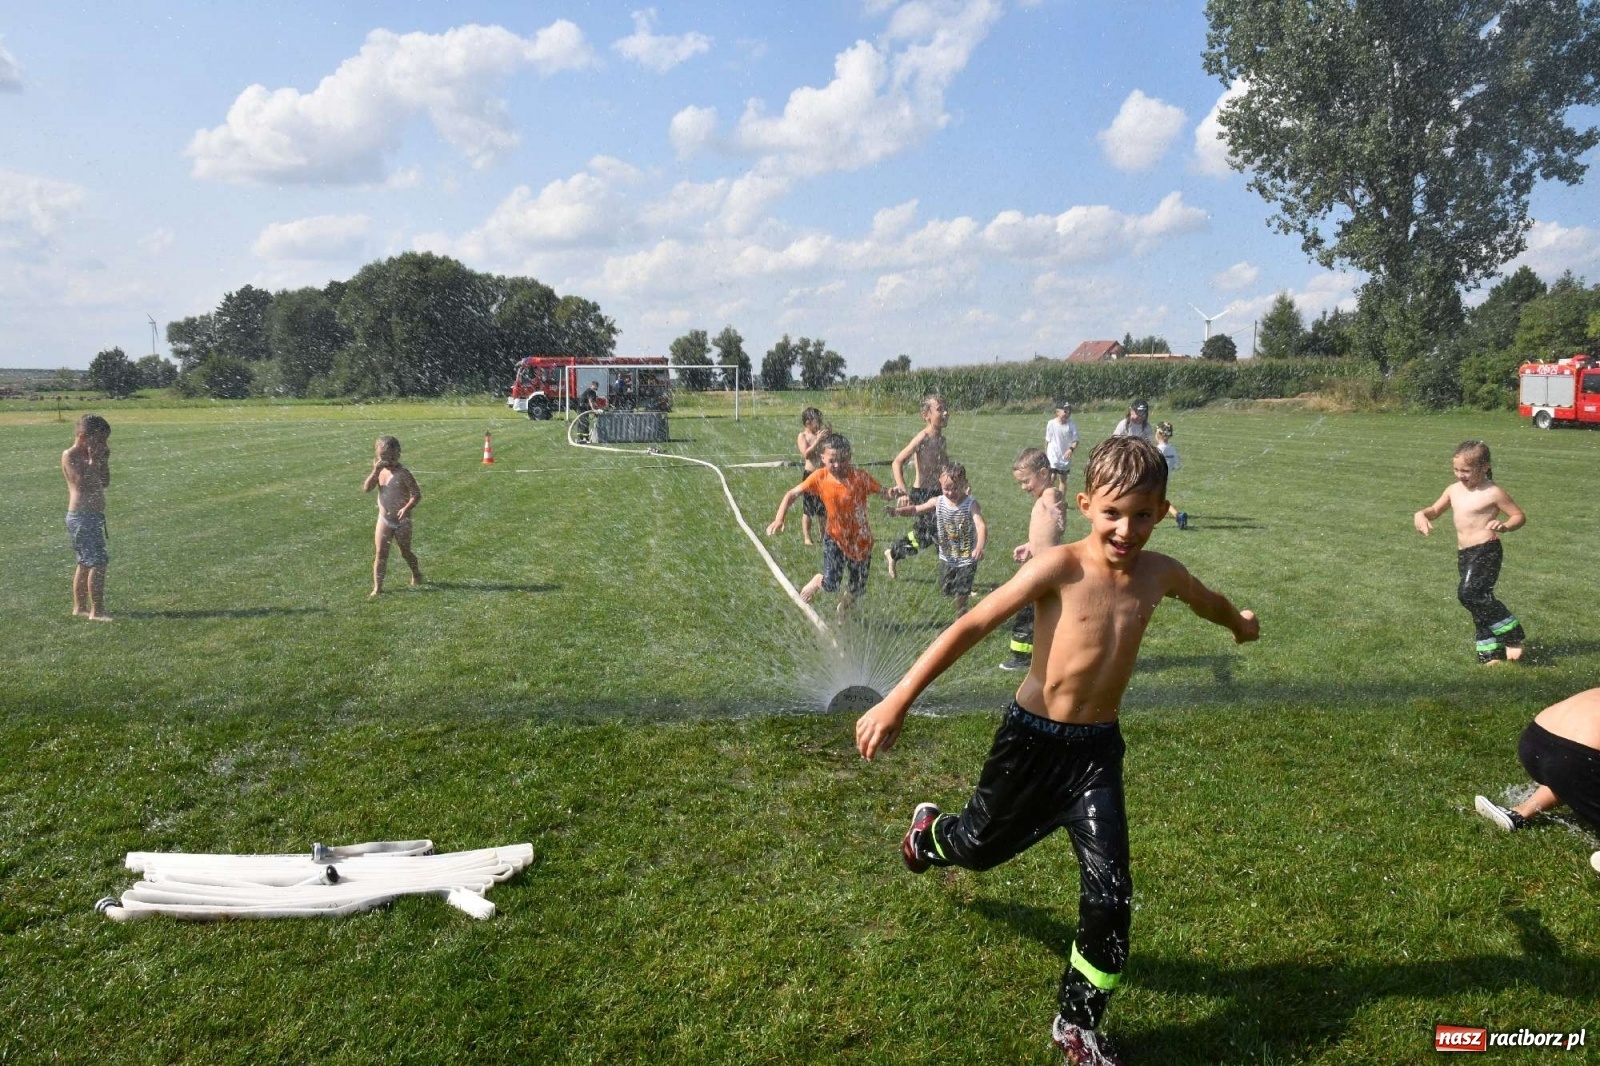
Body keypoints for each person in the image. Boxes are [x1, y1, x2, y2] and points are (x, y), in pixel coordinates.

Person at [855, 436, 1259, 1064]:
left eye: (1144, 515)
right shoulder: (1059, 567)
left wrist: (1239, 624)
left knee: (1111, 894)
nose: (1128, 529)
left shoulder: (1161, 574)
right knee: (978, 850)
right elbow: (971, 624)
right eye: (1114, 514)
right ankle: (930, 834)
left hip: (1096, 756)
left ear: (1161, 510)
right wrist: (897, 698)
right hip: (1032, 743)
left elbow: (1207, 601)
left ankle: (1077, 1025)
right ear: (1086, 503)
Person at [768, 433, 903, 621]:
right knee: (831, 584)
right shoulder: (820, 477)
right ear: (822, 458)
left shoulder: (860, 477)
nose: (838, 465)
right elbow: (792, 493)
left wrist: (892, 492)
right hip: (835, 538)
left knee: (858, 588)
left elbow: (883, 492)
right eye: (832, 461)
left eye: (842, 460)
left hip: (861, 542)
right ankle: (818, 579)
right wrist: (779, 518)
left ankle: (843, 607)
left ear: (850, 457)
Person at [1413, 440, 1526, 663]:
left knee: (1469, 594)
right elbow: (1435, 510)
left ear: (1484, 467)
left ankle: (1513, 634)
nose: (1460, 475)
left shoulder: (1493, 492)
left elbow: (1518, 516)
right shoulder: (1453, 490)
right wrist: (1421, 514)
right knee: (1479, 599)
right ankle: (1490, 653)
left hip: (1487, 549)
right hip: (1464, 554)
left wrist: (1505, 526)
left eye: (1466, 470)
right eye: (1456, 469)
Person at [1473, 688, 1600, 875]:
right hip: (1576, 758)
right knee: (1577, 769)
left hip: (1535, 739)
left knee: (1571, 774)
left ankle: (1520, 813)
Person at [886, 461, 987, 618]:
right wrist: (897, 511)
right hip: (947, 557)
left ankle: (962, 618)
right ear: (940, 484)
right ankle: (960, 605)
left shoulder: (970, 504)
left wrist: (979, 546)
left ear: (964, 484)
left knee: (961, 593)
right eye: (946, 488)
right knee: (947, 588)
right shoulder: (938, 501)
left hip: (967, 558)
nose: (951, 492)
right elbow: (915, 509)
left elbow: (980, 526)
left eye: (955, 488)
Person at [1000, 447, 1065, 671]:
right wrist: (1029, 546)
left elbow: (1054, 501)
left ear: (1044, 474)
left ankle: (1021, 657)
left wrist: (1055, 509)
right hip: (1040, 563)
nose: (1024, 487)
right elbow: (1043, 533)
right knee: (1041, 610)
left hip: (1045, 567)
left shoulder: (1049, 495)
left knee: (1026, 610)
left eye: (1026, 481)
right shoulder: (1042, 497)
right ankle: (1052, 652)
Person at [885, 395, 951, 579]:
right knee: (936, 534)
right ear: (926, 415)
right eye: (940, 409)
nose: (946, 413)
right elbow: (897, 461)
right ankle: (952, 579)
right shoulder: (923, 437)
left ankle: (894, 553)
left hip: (938, 493)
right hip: (922, 493)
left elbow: (944, 467)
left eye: (946, 408)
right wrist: (902, 489)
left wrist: (959, 484)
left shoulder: (942, 440)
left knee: (927, 536)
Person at [62, 413, 113, 621]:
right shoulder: (70, 455)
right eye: (100, 439)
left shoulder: (93, 456)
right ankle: (97, 611)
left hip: (91, 517)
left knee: (85, 562)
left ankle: (80, 608)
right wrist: (94, 461)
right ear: (83, 436)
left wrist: (103, 462)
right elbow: (82, 483)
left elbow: (105, 482)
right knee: (97, 563)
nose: (103, 444)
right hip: (82, 517)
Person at [363, 436, 423, 596]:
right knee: (381, 553)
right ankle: (378, 588)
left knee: (405, 552)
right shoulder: (379, 471)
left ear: (399, 454)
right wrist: (375, 470)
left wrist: (406, 508)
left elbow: (416, 494)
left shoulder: (403, 473)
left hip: (402, 520)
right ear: (377, 456)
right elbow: (367, 488)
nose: (388, 461)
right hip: (384, 519)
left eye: (392, 457)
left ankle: (416, 573)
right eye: (383, 457)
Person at [796, 407, 831, 547]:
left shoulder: (821, 435)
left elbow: (830, 450)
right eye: (818, 420)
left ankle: (823, 535)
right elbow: (806, 454)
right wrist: (817, 441)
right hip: (810, 476)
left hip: (823, 475)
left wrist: (830, 435)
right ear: (808, 422)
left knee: (823, 509)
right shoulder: (803, 436)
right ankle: (807, 536)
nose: (820, 422)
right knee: (809, 509)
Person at [1154, 421, 1188, 531]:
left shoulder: (1157, 450)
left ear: (1158, 434)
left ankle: (1149, 521)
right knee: (1159, 500)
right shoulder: (1172, 449)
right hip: (1166, 478)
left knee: (1149, 499)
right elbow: (1177, 465)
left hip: (1154, 479)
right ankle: (1178, 516)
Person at [1045, 399, 1079, 495]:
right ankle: (1049, 498)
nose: (1067, 413)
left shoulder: (1071, 424)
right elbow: (1048, 440)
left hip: (1064, 456)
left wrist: (1071, 449)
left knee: (1063, 480)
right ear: (1057, 412)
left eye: (1069, 410)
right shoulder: (1051, 423)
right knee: (1052, 477)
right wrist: (1046, 454)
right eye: (1065, 410)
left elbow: (1076, 440)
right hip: (1053, 455)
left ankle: (1061, 501)